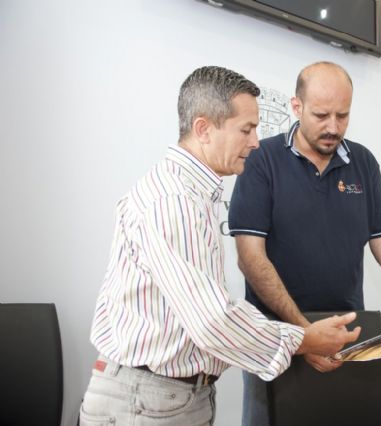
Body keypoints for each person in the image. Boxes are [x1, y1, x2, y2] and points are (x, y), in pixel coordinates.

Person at [79, 66, 361, 426]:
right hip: (146, 402)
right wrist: (303, 339)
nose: (256, 142)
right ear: (203, 129)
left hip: (169, 397)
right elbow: (212, 321)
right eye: (246, 129)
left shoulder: (191, 194)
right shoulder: (173, 201)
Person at [228, 61, 381, 426]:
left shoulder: (363, 162)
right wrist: (304, 333)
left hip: (344, 336)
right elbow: (250, 258)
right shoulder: (261, 160)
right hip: (280, 337)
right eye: (321, 115)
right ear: (296, 106)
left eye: (343, 115)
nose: (333, 127)